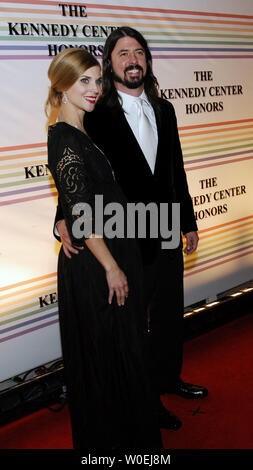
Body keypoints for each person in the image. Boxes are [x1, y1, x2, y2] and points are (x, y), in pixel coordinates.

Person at [54, 27, 208, 430]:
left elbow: (176, 169)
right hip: (125, 236)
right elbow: (80, 174)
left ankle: (168, 378)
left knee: (170, 314)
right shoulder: (95, 112)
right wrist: (61, 217)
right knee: (135, 324)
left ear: (147, 60)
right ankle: (147, 400)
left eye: (139, 52)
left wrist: (188, 221)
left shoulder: (166, 109)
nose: (132, 59)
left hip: (167, 229)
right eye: (123, 53)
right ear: (111, 62)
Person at [46, 47, 162, 449]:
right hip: (99, 266)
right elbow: (83, 211)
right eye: (84, 81)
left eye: (97, 80)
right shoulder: (64, 137)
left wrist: (61, 218)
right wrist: (112, 267)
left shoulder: (81, 131)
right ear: (62, 86)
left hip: (109, 253)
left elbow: (77, 199)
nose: (94, 89)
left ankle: (128, 440)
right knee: (108, 358)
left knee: (120, 354)